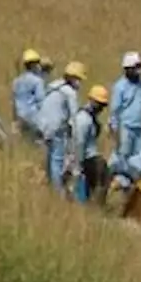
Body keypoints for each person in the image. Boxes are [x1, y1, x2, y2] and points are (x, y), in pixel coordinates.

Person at [35, 61, 87, 191]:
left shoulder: (54, 86)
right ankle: (58, 191)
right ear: (72, 78)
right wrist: (75, 139)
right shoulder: (69, 92)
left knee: (50, 159)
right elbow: (74, 118)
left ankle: (50, 184)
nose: (79, 83)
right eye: (78, 79)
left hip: (44, 126)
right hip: (57, 129)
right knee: (57, 161)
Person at [109, 51, 141, 173]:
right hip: (125, 128)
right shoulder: (120, 87)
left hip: (139, 129)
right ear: (128, 69)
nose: (139, 70)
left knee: (138, 158)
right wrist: (114, 130)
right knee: (123, 156)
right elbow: (115, 110)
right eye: (136, 67)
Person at [69, 85, 110, 203]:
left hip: (88, 157)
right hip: (83, 159)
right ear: (91, 100)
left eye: (103, 105)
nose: (101, 108)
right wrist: (77, 166)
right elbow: (78, 143)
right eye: (99, 104)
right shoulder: (84, 120)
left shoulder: (90, 118)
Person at [12, 49, 47, 141]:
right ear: (33, 65)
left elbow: (14, 102)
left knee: (25, 143)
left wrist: (15, 121)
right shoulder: (38, 81)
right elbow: (41, 102)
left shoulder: (16, 81)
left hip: (20, 117)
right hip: (33, 118)